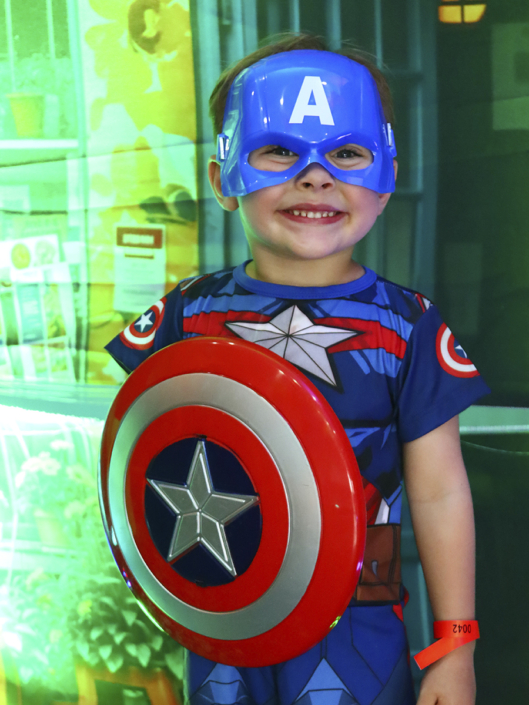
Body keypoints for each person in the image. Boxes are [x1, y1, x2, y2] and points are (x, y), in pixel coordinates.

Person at [106, 33, 489, 705]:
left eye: (347, 152)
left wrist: (455, 645)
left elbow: (439, 493)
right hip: (225, 616)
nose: (315, 175)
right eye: (279, 150)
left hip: (357, 626)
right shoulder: (185, 313)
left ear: (386, 179)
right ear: (223, 178)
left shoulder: (408, 326)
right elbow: (142, 457)